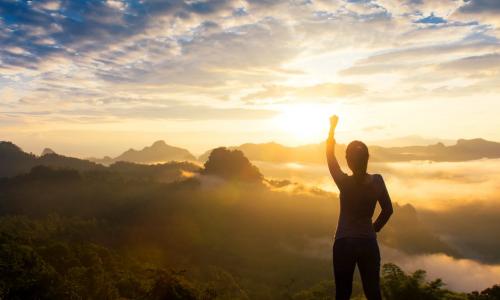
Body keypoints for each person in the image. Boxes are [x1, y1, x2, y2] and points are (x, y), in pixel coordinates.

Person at [326, 115, 393, 300]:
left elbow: (330, 157)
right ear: (367, 158)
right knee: (373, 293)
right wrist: (374, 228)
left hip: (344, 243)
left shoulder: (343, 182)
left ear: (348, 160)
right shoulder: (377, 181)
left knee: (343, 294)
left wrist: (331, 128)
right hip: (368, 243)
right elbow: (388, 210)